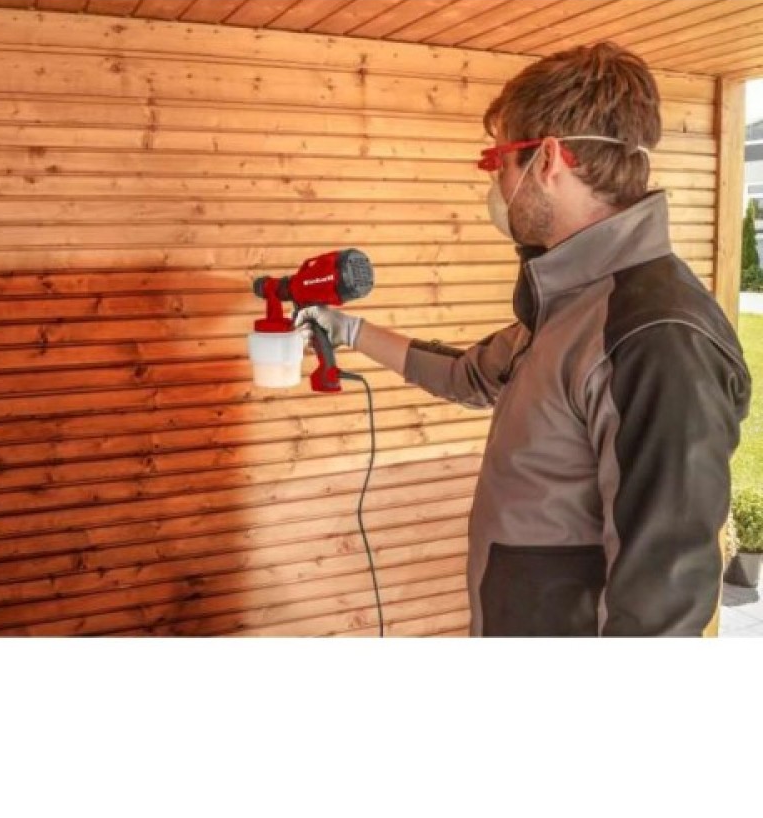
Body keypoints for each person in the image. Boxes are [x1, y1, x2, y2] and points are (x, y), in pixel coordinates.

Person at [296, 41, 752, 637]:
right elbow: (470, 375)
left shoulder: (653, 334)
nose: (495, 182)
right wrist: (348, 329)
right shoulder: (575, 301)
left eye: (498, 160)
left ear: (549, 160)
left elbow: (662, 601)